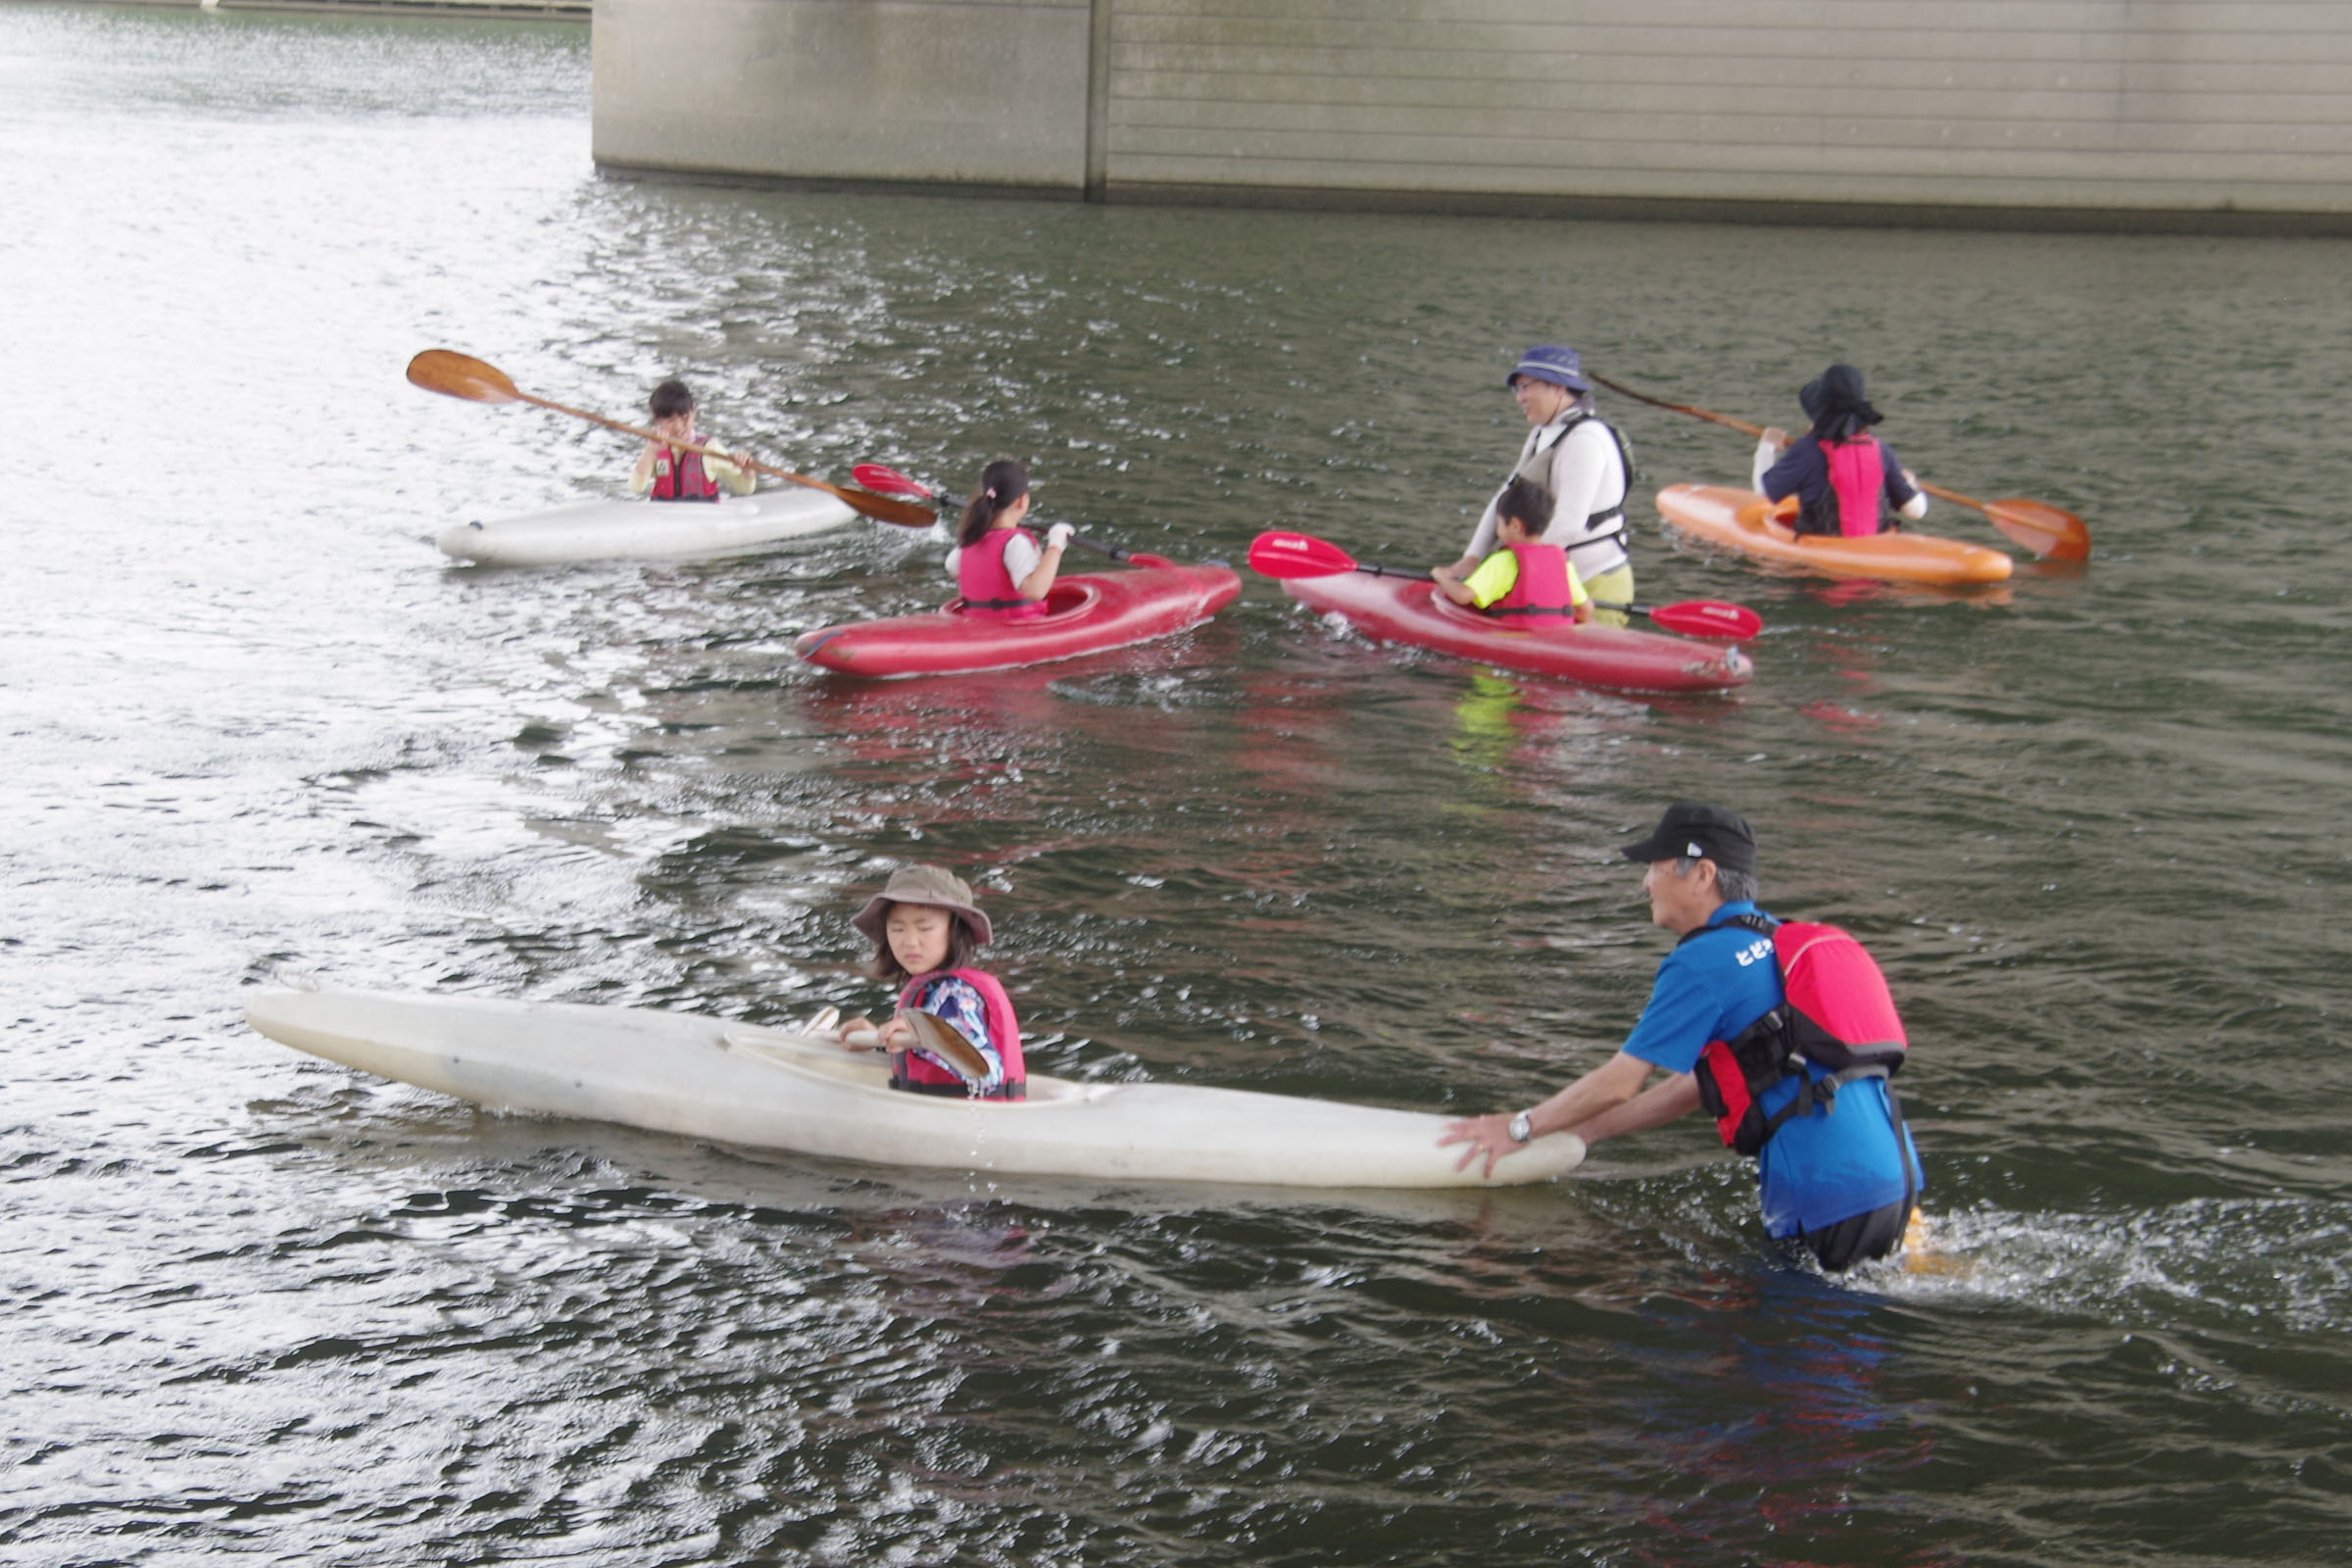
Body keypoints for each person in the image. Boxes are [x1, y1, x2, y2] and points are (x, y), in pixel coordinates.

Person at [1441, 803, 1922, 1272]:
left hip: (1828, 1194)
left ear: (1702, 874)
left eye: (1655, 867)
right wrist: (1585, 1132)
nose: (1645, 882)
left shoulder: (1704, 960)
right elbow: (1699, 1084)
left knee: (1775, 1347)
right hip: (1895, 1179)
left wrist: (1518, 1128)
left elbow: (1618, 1083)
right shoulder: (1776, 941)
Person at [1442, 344, 1636, 626]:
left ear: (1558, 388)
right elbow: (1504, 499)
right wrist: (1473, 557)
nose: (1519, 398)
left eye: (1526, 387)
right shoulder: (1541, 433)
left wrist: (1517, 572)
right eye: (1516, 390)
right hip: (1552, 583)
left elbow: (1569, 523)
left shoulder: (1585, 439)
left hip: (1595, 584)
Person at [836, 864, 1027, 1101]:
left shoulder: (955, 994)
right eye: (897, 929)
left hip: (968, 1127)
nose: (910, 941)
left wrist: (926, 1036)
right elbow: (925, 1056)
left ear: (955, 931)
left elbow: (987, 1073)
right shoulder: (934, 989)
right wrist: (877, 1040)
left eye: (924, 928)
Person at [1753, 364, 1928, 538]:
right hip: (1875, 549)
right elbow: (1917, 511)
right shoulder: (1882, 451)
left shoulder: (1807, 450)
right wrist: (1910, 483)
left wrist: (1767, 446)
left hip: (1821, 551)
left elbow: (1763, 492)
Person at [1431, 476, 1592, 622]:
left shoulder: (1504, 561)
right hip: (1553, 641)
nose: (1498, 530)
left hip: (1515, 639)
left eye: (1499, 524)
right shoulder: (1562, 563)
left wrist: (1442, 576)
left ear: (1515, 526)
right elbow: (1586, 609)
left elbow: (1462, 595)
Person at [943, 457, 1073, 617]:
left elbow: (952, 568)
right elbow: (1035, 590)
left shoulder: (968, 542)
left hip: (978, 629)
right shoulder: (1015, 543)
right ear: (1021, 501)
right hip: (1019, 630)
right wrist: (1056, 545)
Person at [628, 378, 757, 503]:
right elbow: (635, 487)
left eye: (684, 418)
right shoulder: (655, 448)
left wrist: (747, 469)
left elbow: (745, 489)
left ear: (693, 413)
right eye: (670, 421)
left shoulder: (710, 449)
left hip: (702, 520)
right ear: (657, 420)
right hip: (665, 521)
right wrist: (650, 450)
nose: (678, 427)